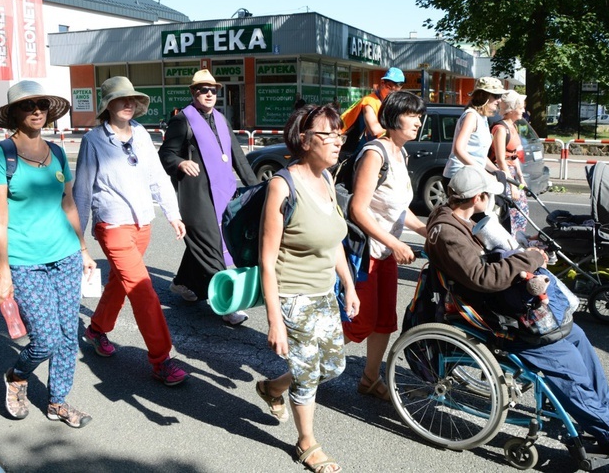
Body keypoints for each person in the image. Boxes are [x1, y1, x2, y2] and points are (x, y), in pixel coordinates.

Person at [424, 166, 609, 462]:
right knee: (566, 366)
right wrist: (531, 257)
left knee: (576, 336)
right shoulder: (450, 234)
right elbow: (483, 278)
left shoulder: (453, 217)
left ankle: (608, 409)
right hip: (494, 316)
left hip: (499, 300)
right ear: (479, 197)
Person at [0, 80, 94, 428]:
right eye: (28, 106)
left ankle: (57, 401)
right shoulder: (0, 156)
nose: (36, 111)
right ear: (14, 113)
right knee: (45, 339)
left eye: (42, 105)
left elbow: (68, 203)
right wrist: (3, 274)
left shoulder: (57, 153)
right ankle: (17, 376)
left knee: (66, 336)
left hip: (66, 257)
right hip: (25, 262)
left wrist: (84, 249)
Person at [256, 105, 359, 473]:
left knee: (332, 366)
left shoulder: (327, 178)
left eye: (339, 135)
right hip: (293, 295)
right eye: (327, 135)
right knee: (308, 372)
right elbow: (267, 260)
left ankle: (272, 387)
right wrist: (274, 321)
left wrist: (348, 283)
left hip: (324, 291)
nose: (336, 142)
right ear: (304, 139)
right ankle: (306, 443)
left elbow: (332, 240)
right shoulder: (282, 185)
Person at [73, 76, 189, 386]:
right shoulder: (93, 141)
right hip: (112, 224)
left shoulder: (140, 133)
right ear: (107, 106)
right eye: (121, 99)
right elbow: (82, 192)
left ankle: (97, 329)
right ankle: (161, 360)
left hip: (142, 224)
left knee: (119, 283)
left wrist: (173, 214)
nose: (129, 103)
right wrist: (79, 242)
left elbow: (158, 178)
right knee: (142, 290)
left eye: (132, 99)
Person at [344, 91, 428, 401]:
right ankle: (297, 373)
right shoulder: (375, 153)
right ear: (393, 118)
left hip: (385, 253)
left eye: (420, 116)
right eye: (412, 115)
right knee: (357, 324)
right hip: (365, 253)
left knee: (384, 321)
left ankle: (369, 378)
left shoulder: (401, 153)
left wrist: (424, 228)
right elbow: (358, 209)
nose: (418, 122)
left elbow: (396, 208)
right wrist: (395, 242)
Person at [158, 69, 257, 326]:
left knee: (204, 243)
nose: (209, 94)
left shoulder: (222, 120)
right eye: (203, 89)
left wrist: (258, 189)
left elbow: (239, 159)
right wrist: (180, 162)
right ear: (193, 93)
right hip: (196, 197)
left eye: (213, 90)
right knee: (214, 247)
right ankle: (227, 305)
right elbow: (165, 154)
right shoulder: (183, 120)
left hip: (223, 194)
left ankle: (181, 283)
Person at [442, 77, 508, 186]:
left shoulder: (482, 118)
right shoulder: (471, 116)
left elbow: (478, 155)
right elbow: (459, 150)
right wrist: (483, 173)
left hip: (471, 175)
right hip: (460, 176)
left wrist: (497, 171)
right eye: (496, 96)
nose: (499, 100)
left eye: (500, 96)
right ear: (483, 96)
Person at [490, 90, 529, 236]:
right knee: (512, 212)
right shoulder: (500, 129)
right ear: (511, 109)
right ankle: (510, 243)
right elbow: (501, 160)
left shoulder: (513, 126)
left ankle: (517, 241)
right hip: (503, 175)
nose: (523, 110)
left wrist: (521, 178)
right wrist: (512, 185)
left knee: (522, 211)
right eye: (521, 107)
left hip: (511, 174)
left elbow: (513, 155)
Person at [340, 67, 405, 149]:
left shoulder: (387, 103)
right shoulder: (370, 101)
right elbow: (374, 129)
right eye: (389, 86)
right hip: (345, 144)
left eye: (397, 87)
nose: (392, 91)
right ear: (382, 83)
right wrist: (397, 125)